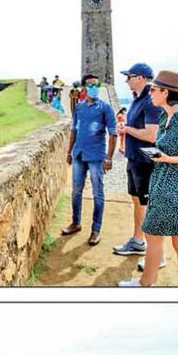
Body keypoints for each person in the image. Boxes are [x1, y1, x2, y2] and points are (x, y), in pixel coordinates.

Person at [119, 70, 178, 289]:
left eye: (154, 89)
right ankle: (147, 283)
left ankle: (168, 290)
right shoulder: (164, 117)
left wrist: (168, 158)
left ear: (166, 92)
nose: (150, 92)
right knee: (155, 236)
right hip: (163, 187)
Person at [113, 63, 161, 260]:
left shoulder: (150, 101)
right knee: (138, 201)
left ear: (141, 78)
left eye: (129, 76)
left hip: (144, 162)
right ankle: (139, 241)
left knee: (147, 203)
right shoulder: (138, 99)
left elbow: (151, 135)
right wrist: (127, 126)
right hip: (135, 159)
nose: (126, 80)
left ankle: (156, 252)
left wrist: (127, 130)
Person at [62, 74, 117, 245]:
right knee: (76, 190)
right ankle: (76, 222)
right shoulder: (80, 108)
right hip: (79, 154)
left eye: (97, 85)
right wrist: (69, 151)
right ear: (85, 88)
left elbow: (113, 133)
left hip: (96, 156)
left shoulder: (105, 108)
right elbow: (74, 129)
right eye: (91, 85)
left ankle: (96, 229)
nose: (94, 88)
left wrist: (109, 158)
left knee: (97, 193)